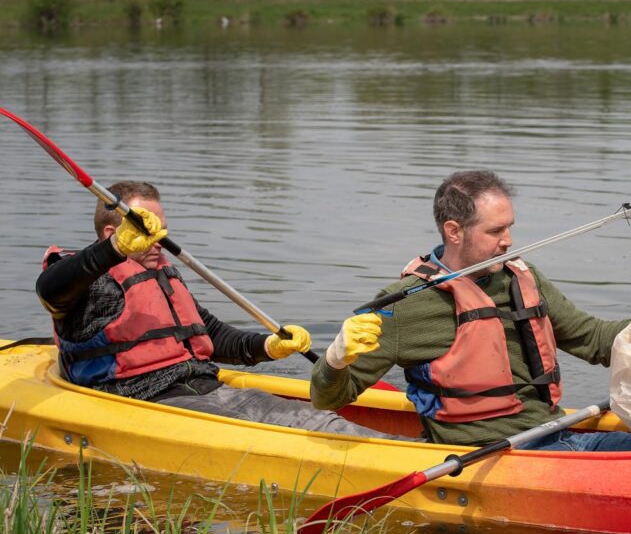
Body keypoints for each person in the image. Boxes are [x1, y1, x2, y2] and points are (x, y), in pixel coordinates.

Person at [36, 180, 411, 441]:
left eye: (162, 230)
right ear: (110, 235)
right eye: (147, 230)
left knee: (317, 419)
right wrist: (114, 251)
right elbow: (51, 289)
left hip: (202, 387)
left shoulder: (160, 273)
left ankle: (419, 450)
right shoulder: (88, 284)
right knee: (309, 428)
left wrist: (267, 347)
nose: (160, 241)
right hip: (144, 403)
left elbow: (210, 334)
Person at [310, 170, 631, 451]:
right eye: (496, 231)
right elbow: (328, 397)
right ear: (454, 232)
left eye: (510, 227)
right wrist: (337, 358)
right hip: (489, 456)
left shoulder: (521, 276)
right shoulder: (404, 305)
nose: (508, 240)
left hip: (556, 435)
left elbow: (592, 339)